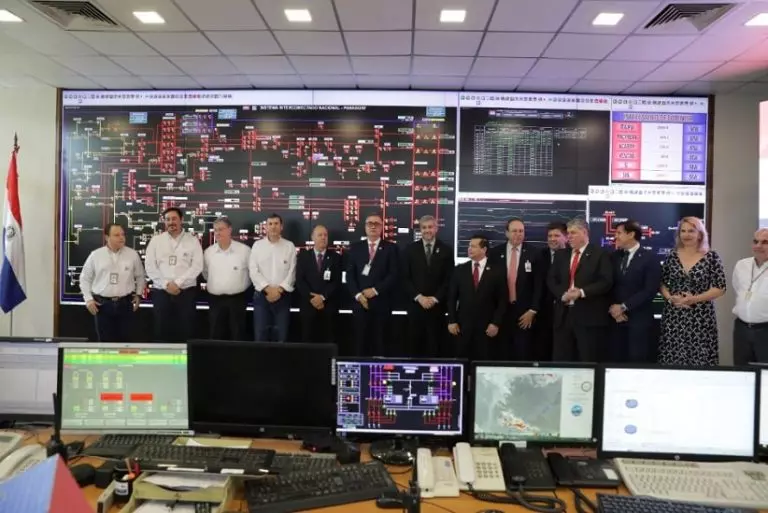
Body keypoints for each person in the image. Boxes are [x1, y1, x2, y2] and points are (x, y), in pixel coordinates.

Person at [659, 216, 726, 366]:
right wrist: (670, 298)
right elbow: (661, 283)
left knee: (700, 361)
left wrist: (694, 299)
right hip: (674, 315)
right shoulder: (672, 256)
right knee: (673, 358)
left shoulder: (711, 256)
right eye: (683, 231)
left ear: (700, 234)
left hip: (701, 317)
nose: (686, 235)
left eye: (691, 231)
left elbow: (720, 288)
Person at [547, 218, 613, 362]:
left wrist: (581, 292)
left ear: (584, 232)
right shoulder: (561, 255)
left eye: (573, 233)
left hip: (588, 318)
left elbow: (605, 282)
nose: (569, 236)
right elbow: (551, 279)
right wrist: (562, 295)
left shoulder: (600, 254)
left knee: (587, 359)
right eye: (568, 233)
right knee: (561, 359)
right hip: (563, 317)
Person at [145, 207, 203, 342]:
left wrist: (177, 283)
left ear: (181, 220)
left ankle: (185, 356)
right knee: (161, 330)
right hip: (161, 293)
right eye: (168, 219)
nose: (171, 222)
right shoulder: (156, 241)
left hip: (185, 293)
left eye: (174, 218)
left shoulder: (192, 240)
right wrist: (166, 284)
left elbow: (197, 266)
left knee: (186, 330)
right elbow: (150, 266)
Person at [79, 223, 145, 342]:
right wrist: (88, 299)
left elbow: (140, 276)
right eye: (116, 235)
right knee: (105, 343)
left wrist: (139, 294)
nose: (121, 238)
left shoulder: (132, 254)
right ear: (107, 237)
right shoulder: (96, 255)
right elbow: (84, 279)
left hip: (125, 304)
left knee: (126, 343)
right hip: (102, 306)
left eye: (123, 234)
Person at [488, 218, 542, 360]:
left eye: (521, 231)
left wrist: (533, 310)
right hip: (501, 311)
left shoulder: (534, 253)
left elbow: (539, 285)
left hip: (524, 313)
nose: (518, 234)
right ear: (506, 233)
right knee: (502, 352)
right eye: (514, 231)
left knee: (522, 352)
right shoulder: (495, 253)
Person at [608, 220, 661, 363]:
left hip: (639, 320)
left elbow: (650, 290)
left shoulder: (650, 258)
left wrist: (624, 306)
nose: (615, 236)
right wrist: (614, 308)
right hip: (615, 319)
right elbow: (608, 284)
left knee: (636, 362)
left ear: (631, 234)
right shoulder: (613, 257)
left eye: (619, 233)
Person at [347, 213, 399, 356]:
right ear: (365, 227)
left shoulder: (391, 248)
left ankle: (380, 370)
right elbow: (349, 276)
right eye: (370, 223)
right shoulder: (355, 248)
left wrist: (375, 290)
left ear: (382, 227)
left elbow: (394, 274)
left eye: (376, 224)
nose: (373, 226)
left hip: (382, 303)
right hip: (360, 303)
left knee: (380, 343)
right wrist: (358, 295)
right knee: (360, 343)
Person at [447, 235, 507, 360]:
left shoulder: (497, 271)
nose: (469, 249)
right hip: (463, 328)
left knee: (483, 361)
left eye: (473, 246)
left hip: (486, 328)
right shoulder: (460, 269)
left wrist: (495, 323)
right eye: (469, 246)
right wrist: (452, 320)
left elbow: (502, 300)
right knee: (463, 360)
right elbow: (451, 298)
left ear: (484, 249)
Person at [402, 215, 455, 356]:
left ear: (436, 228)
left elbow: (449, 279)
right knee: (414, 346)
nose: (427, 230)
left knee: (435, 346)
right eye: (424, 227)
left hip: (437, 307)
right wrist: (419, 297)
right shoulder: (410, 250)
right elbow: (405, 278)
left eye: (430, 227)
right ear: (420, 230)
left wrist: (435, 298)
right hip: (415, 307)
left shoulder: (446, 250)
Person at [249, 213, 296, 342]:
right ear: (266, 227)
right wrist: (267, 289)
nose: (273, 226)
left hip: (283, 298)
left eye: (276, 223)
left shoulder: (289, 246)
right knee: (260, 337)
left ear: (281, 227)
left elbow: (292, 271)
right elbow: (253, 270)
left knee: (281, 338)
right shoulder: (257, 246)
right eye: (270, 224)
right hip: (261, 298)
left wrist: (279, 290)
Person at [203, 217, 250, 341]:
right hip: (215, 301)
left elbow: (252, 273)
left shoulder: (244, 251)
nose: (218, 233)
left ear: (230, 230)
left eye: (221, 229)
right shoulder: (208, 252)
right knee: (215, 335)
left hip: (237, 300)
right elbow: (206, 274)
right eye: (215, 230)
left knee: (238, 335)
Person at [295, 225, 341, 344]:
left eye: (325, 235)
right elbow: (299, 281)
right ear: (313, 237)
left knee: (329, 340)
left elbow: (336, 281)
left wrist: (322, 297)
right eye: (320, 235)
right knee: (307, 340)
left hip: (328, 306)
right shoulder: (303, 256)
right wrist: (312, 298)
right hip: (308, 306)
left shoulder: (336, 257)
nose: (323, 237)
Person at [733, 228, 768, 364]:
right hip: (742, 329)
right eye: (755, 241)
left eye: (765, 242)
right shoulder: (742, 265)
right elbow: (738, 289)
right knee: (742, 371)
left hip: (765, 331)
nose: (758, 246)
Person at [534, 221, 568, 361]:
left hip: (566, 312)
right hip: (543, 313)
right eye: (550, 236)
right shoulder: (539, 256)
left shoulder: (574, 255)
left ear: (566, 237)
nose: (552, 239)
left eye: (557, 235)